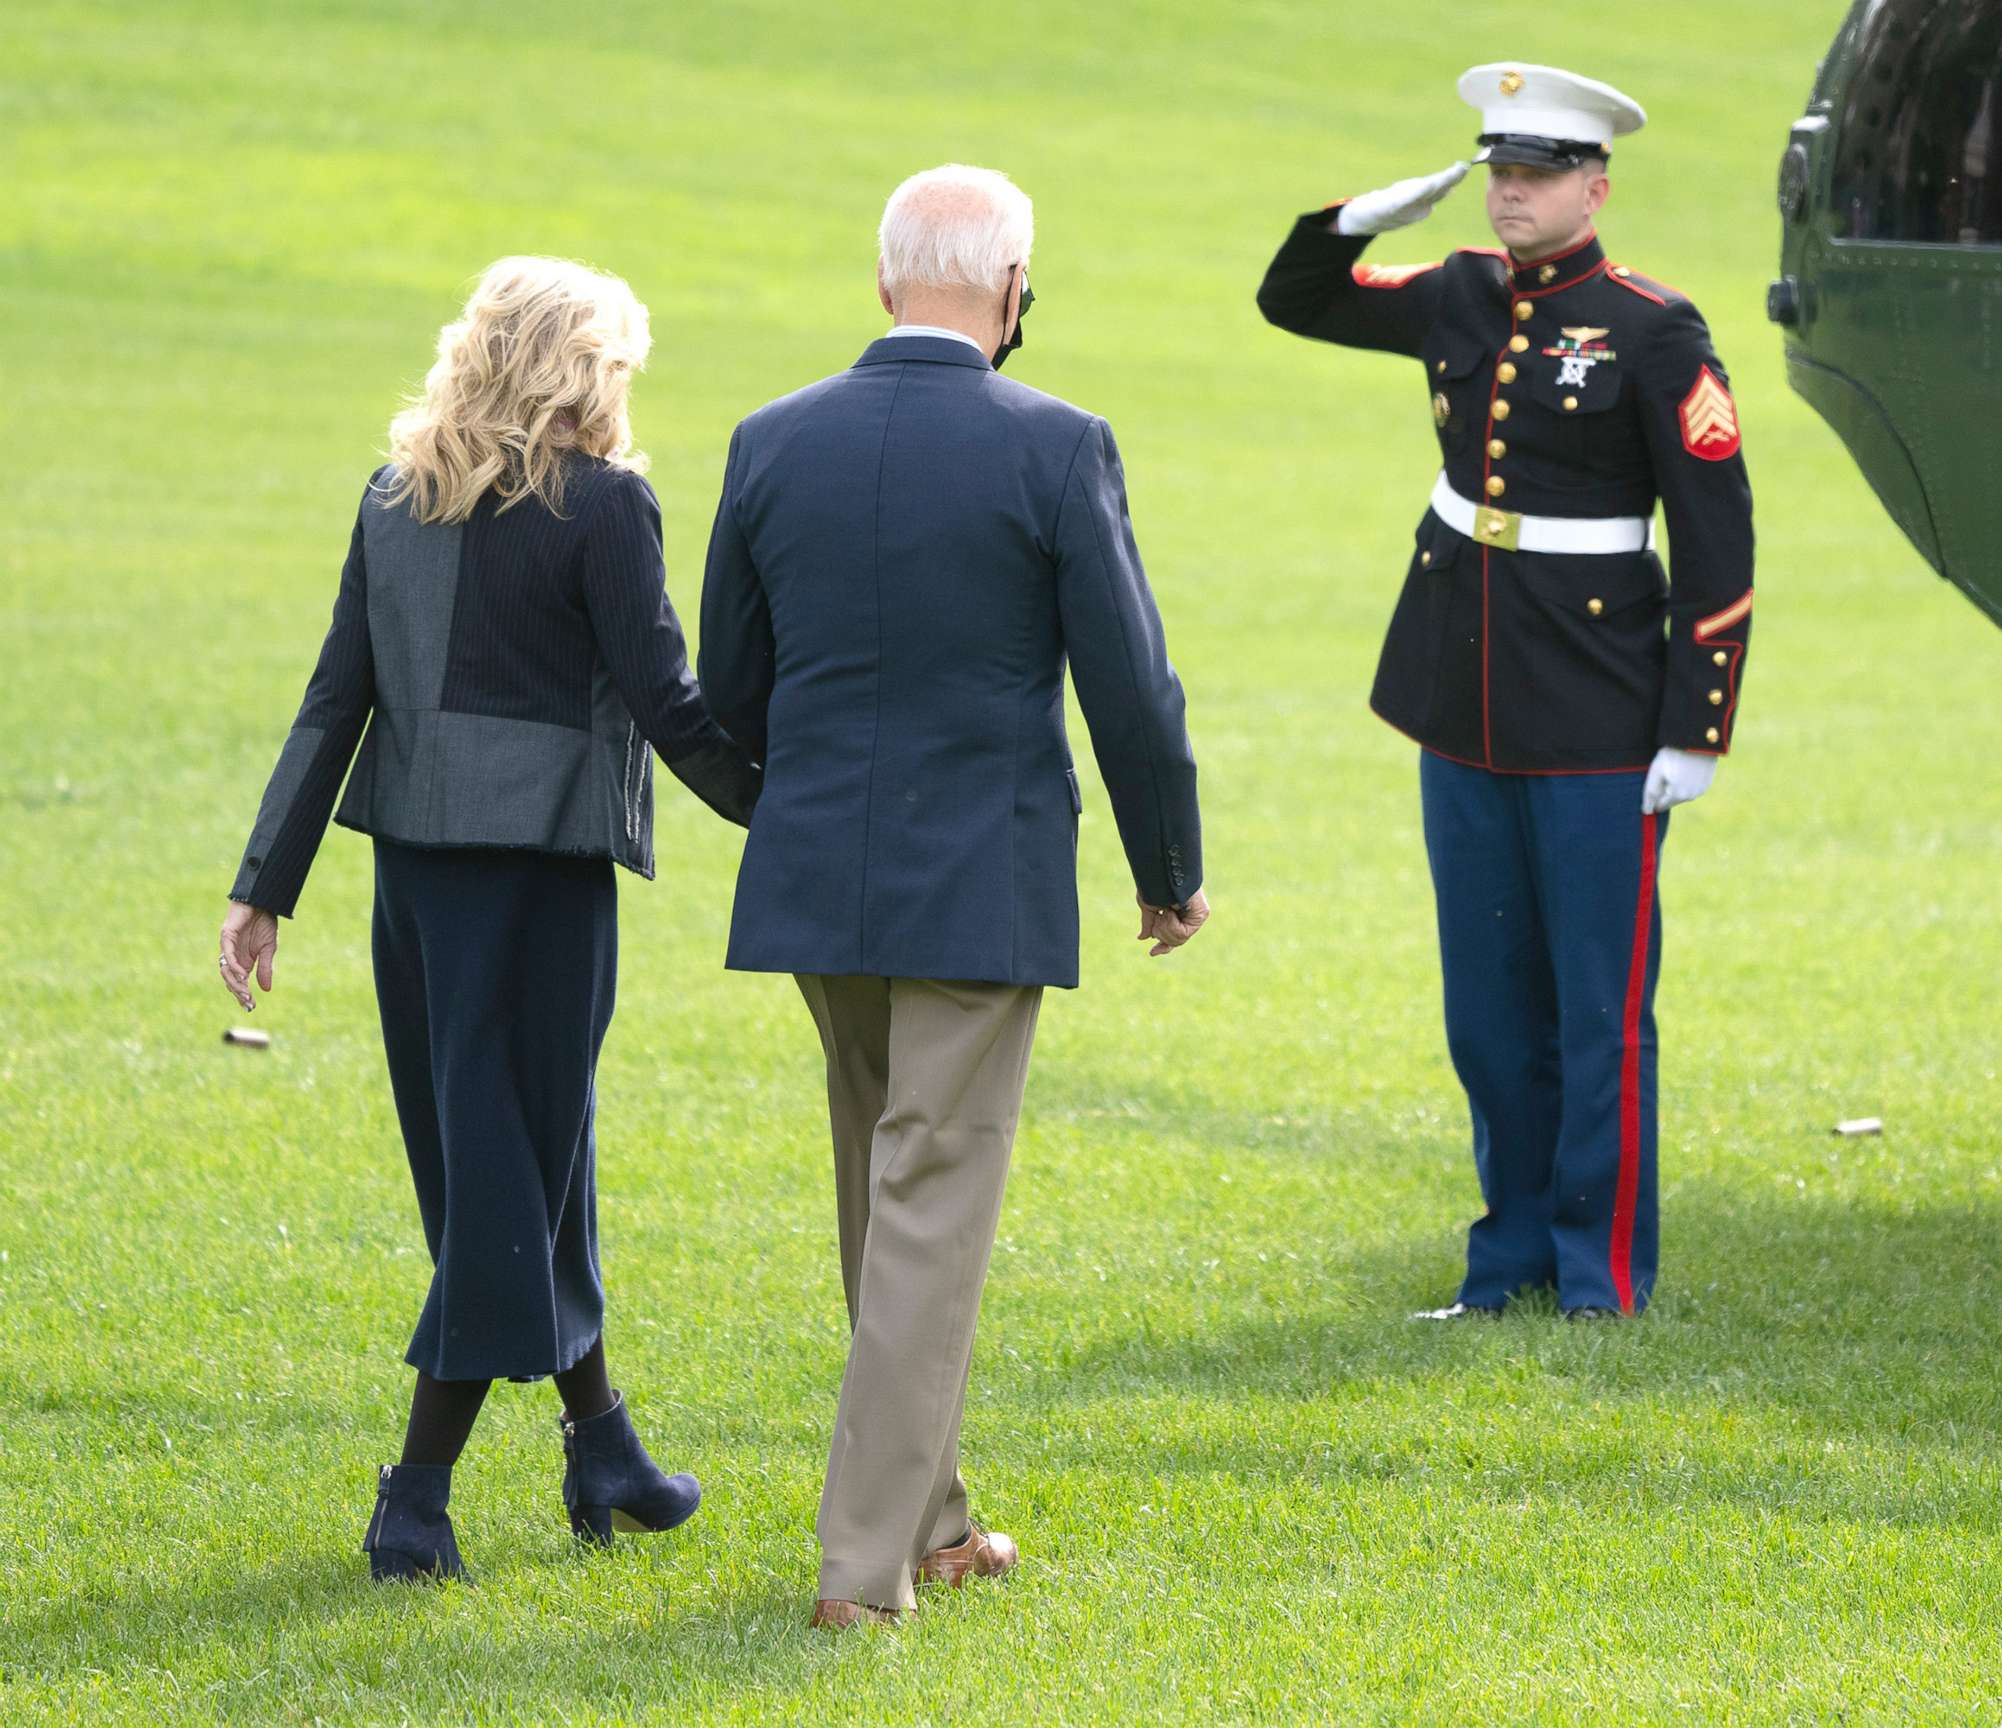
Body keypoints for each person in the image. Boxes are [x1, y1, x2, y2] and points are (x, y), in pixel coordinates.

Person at [697, 164, 1208, 1629]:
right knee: (927, 1200)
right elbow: (1132, 684)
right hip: (978, 879)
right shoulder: (1058, 445)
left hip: (818, 876)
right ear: (1011, 290)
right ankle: (863, 1570)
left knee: (882, 1188)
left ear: (881, 285)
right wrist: (1166, 868)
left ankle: (933, 1521)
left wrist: (782, 814)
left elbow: (728, 692)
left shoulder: (770, 440)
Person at [216, 256, 760, 1583]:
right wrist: (787, 809)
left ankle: (605, 1449)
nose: (627, 389)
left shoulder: (397, 497)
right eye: (619, 363)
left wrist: (262, 888)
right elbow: (668, 700)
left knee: (511, 1170)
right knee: (506, 1185)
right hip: (538, 892)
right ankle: (414, 1499)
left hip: (417, 893)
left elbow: (333, 698)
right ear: (580, 368)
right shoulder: (609, 508)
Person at [1257, 65, 1756, 1320]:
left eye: (1535, 174)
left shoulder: (1654, 329)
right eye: (1497, 170)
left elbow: (1717, 541)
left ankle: (1598, 1281)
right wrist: (1366, 215)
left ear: (1594, 185)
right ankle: (1507, 1263)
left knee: (1597, 1013)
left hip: (1598, 705)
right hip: (1460, 693)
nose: (1510, 193)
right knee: (1488, 1011)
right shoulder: (1459, 292)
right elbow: (1294, 299)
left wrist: (1698, 728)